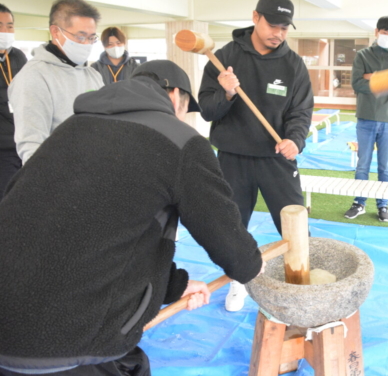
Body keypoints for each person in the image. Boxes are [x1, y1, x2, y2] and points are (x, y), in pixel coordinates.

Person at [0, 59, 264, 376]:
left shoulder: (70, 130)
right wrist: (254, 265)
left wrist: (175, 286)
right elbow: (232, 247)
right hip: (73, 345)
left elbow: (91, 227)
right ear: (175, 95)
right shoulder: (179, 139)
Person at [198, 0, 313, 312]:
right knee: (233, 227)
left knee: (295, 225)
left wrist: (295, 141)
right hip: (233, 157)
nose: (278, 33)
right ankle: (239, 282)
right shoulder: (224, 57)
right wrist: (227, 92)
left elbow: (301, 112)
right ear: (255, 17)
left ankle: (302, 285)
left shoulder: (293, 66)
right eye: (272, 25)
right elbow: (207, 110)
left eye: (285, 28)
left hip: (277, 158)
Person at [8, 0, 104, 164]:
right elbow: (32, 147)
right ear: (55, 32)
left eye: (91, 38)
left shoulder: (92, 75)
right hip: (61, 177)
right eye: (80, 37)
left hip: (94, 171)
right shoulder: (34, 77)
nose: (87, 44)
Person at [344, 16, 388, 222]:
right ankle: (359, 202)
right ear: (376, 32)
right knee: (363, 164)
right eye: (385, 33)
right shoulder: (363, 55)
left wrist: (372, 76)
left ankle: (383, 204)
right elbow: (357, 84)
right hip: (365, 117)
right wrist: (385, 78)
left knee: (385, 166)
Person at [0, 4, 26, 200]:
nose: (5, 32)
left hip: (21, 141)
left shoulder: (17, 56)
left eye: (10, 26)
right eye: (0, 26)